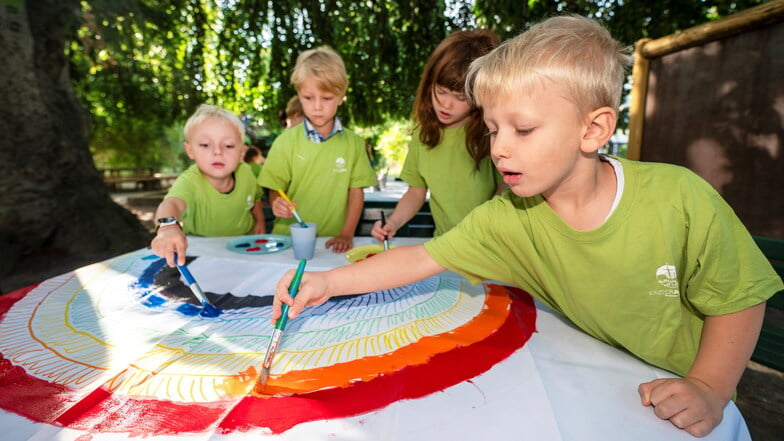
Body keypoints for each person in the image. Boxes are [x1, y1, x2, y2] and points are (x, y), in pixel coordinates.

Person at [271, 16, 783, 437]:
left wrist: (711, 387)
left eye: (523, 128)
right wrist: (327, 281)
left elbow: (740, 297)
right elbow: (422, 258)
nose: (499, 148)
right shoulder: (509, 217)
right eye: (493, 128)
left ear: (594, 128)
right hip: (603, 390)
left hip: (684, 391)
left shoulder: (680, 199)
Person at [371, 29, 504, 241]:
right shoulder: (423, 136)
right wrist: (392, 222)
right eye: (440, 91)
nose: (446, 104)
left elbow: (505, 189)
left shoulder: (492, 133)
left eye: (460, 97)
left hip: (491, 248)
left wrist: (484, 230)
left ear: (481, 96)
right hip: (444, 247)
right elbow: (416, 192)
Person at [259, 46, 377, 253]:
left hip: (335, 243)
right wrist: (277, 204)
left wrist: (347, 234)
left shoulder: (355, 144)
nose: (317, 106)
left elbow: (356, 193)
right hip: (288, 242)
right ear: (299, 95)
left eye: (327, 98)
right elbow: (274, 189)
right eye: (308, 97)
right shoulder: (284, 142)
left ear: (341, 97)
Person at [151, 104, 266, 267]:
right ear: (190, 150)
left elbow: (255, 198)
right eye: (205, 145)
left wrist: (259, 221)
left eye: (228, 145)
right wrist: (167, 226)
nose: (218, 152)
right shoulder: (190, 181)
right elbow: (172, 203)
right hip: (202, 253)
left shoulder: (246, 173)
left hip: (245, 249)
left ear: (241, 152)